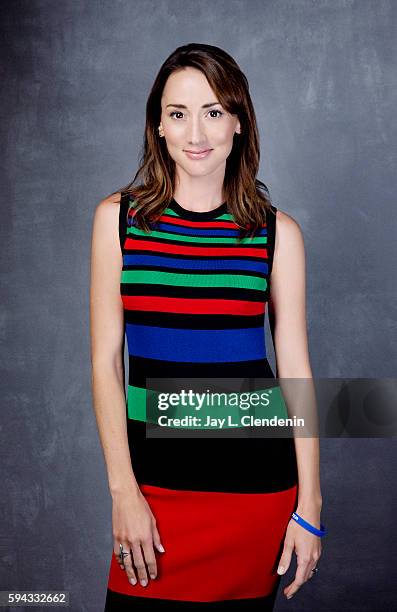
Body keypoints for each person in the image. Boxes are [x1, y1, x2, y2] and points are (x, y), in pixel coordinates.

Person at [90, 43, 324, 611]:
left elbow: (295, 373)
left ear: (239, 123)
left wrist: (310, 508)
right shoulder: (116, 221)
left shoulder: (277, 235)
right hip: (154, 493)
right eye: (178, 113)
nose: (197, 132)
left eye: (214, 112)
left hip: (256, 494)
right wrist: (123, 491)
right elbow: (104, 364)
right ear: (159, 126)